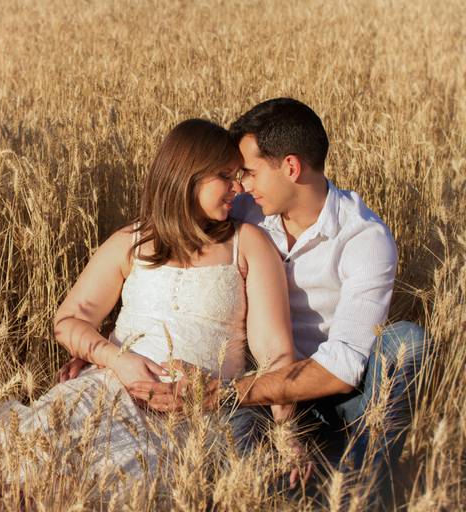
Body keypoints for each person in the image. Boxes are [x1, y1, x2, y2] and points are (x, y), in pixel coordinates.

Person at [120, 98, 427, 503]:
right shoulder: (244, 209)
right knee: (243, 482)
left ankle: (362, 487)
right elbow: (175, 255)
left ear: (292, 167)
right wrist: (103, 343)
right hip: (261, 394)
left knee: (407, 341)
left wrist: (227, 393)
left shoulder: (363, 237)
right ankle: (314, 481)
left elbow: (343, 366)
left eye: (248, 172)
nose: (240, 185)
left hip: (341, 398)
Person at [0, 119, 299, 492]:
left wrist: (287, 437)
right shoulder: (132, 242)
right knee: (24, 467)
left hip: (195, 415)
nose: (238, 188)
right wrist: (117, 360)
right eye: (225, 176)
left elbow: (277, 355)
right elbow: (69, 319)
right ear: (188, 176)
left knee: (127, 487)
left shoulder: (248, 244)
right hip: (107, 391)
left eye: (238, 175)